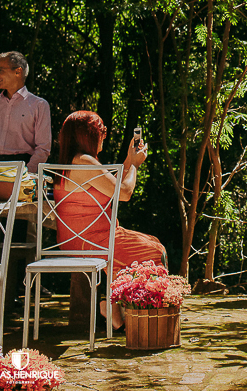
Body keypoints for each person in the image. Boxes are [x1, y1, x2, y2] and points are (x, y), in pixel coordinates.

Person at [54, 111, 166, 330]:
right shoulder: (84, 162)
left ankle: (113, 308)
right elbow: (123, 192)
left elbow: (113, 186)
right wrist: (134, 165)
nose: (104, 136)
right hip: (91, 241)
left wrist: (129, 160)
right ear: (87, 136)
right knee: (154, 250)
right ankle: (144, 319)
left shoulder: (74, 161)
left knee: (149, 241)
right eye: (101, 131)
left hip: (84, 239)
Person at [0, 52, 51, 173]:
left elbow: (43, 148)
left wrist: (26, 176)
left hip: (21, 170)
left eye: (0, 70)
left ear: (18, 72)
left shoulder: (39, 105)